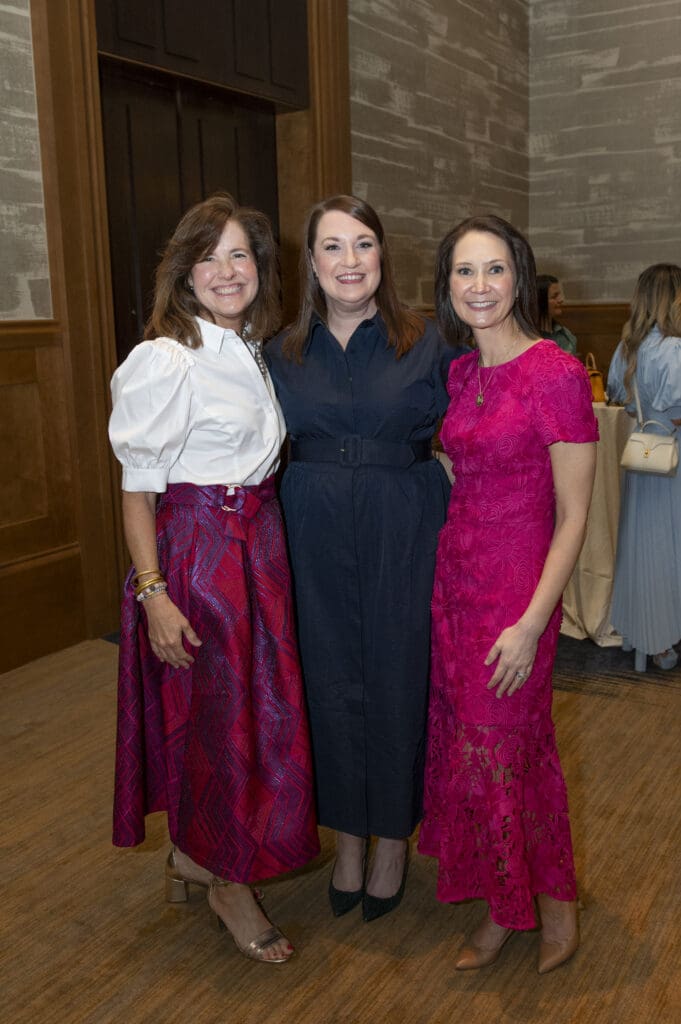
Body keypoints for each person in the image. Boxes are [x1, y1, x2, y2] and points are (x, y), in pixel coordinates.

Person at [108, 192, 319, 965]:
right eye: (210, 257)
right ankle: (226, 880)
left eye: (240, 256)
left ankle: (196, 855)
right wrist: (153, 591)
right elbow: (137, 486)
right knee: (218, 720)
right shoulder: (165, 357)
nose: (227, 272)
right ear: (184, 272)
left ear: (260, 271)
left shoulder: (249, 349)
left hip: (255, 546)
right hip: (197, 554)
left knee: (251, 720)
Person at [266, 194, 466, 923]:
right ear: (311, 263)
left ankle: (391, 838)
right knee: (324, 678)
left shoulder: (432, 342)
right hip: (309, 526)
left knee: (398, 675)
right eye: (332, 247)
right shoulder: (277, 352)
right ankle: (345, 835)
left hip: (405, 524)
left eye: (362, 245)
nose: (349, 262)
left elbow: (479, 428)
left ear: (382, 255)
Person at [418, 215, 598, 974]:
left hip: (517, 596)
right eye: (465, 272)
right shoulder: (461, 373)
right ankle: (502, 901)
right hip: (455, 585)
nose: (479, 286)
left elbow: (575, 513)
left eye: (494, 270)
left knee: (513, 748)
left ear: (519, 277)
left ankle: (553, 902)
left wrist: (531, 623)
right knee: (469, 747)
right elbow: (460, 463)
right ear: (447, 285)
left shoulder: (552, 371)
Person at [607, 263, 681, 673]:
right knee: (672, 546)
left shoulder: (627, 348)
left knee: (643, 545)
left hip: (643, 455)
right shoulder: (675, 349)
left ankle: (642, 636)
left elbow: (621, 397)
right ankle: (664, 639)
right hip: (674, 456)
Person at [537, 273, 578, 354]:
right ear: (540, 301)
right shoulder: (527, 337)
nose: (561, 300)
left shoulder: (566, 336)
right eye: (554, 296)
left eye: (559, 295)